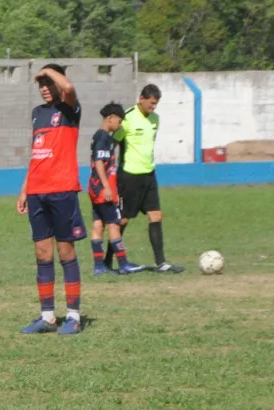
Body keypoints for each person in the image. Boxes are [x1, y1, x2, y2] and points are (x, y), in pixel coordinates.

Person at [16, 64, 86, 335]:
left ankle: (73, 316)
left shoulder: (70, 109)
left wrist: (47, 70)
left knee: (65, 252)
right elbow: (37, 154)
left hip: (63, 190)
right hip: (37, 191)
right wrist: (25, 189)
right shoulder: (37, 114)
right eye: (41, 84)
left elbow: (68, 89)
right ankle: (47, 317)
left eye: (48, 83)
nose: (45, 88)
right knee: (42, 254)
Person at [110, 84, 184, 273]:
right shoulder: (127, 118)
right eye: (151, 104)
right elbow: (113, 143)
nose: (153, 108)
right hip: (129, 176)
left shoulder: (155, 119)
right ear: (141, 99)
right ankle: (108, 260)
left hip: (149, 175)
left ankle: (161, 262)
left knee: (156, 216)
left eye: (156, 104)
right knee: (123, 220)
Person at [88, 103, 145, 276]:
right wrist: (106, 187)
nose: (119, 125)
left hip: (94, 188)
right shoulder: (103, 138)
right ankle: (123, 264)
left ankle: (99, 267)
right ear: (110, 118)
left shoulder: (100, 136)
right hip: (103, 189)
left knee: (98, 225)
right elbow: (99, 161)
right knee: (114, 224)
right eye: (119, 121)